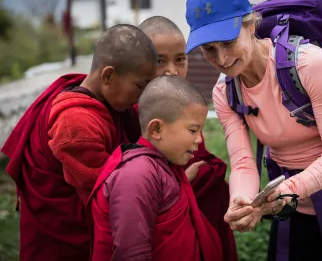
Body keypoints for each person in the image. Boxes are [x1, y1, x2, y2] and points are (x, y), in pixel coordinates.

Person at [184, 0, 322, 261]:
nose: (221, 58)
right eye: (209, 48)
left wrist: (285, 191)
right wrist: (243, 201)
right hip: (294, 210)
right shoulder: (225, 90)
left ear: (251, 25)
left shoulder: (308, 63)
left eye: (228, 41)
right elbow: (244, 162)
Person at [1, 24, 157, 261]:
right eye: (139, 86)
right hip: (61, 246)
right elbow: (110, 192)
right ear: (108, 75)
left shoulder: (106, 101)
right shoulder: (75, 122)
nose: (142, 96)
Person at [87, 76, 223, 261]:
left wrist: (181, 183)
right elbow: (132, 254)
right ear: (156, 129)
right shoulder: (135, 176)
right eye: (193, 130)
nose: (199, 139)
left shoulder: (162, 165)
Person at [138, 15, 237, 261]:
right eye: (160, 61)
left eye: (180, 59)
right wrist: (180, 179)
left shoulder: (184, 103)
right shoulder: (132, 111)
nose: (172, 70)